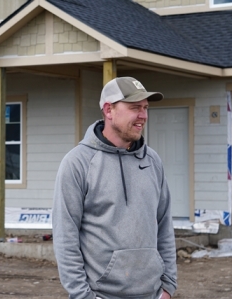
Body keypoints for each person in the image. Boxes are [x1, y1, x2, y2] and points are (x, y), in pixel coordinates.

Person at [52, 77, 177, 299]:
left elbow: (164, 226)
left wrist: (167, 287)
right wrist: (83, 296)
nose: (143, 116)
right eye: (134, 107)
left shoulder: (152, 161)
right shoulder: (78, 163)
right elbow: (65, 237)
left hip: (153, 294)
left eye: (145, 108)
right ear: (109, 110)